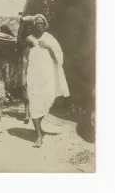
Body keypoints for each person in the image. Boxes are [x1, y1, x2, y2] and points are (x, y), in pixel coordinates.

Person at [22, 14, 70, 147]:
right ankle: (38, 135)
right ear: (33, 25)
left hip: (47, 77)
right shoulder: (29, 39)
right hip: (33, 76)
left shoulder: (50, 39)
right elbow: (25, 59)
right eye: (36, 23)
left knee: (48, 101)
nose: (39, 25)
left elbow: (58, 57)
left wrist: (49, 47)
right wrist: (22, 77)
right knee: (35, 105)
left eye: (41, 23)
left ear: (45, 25)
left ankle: (39, 127)